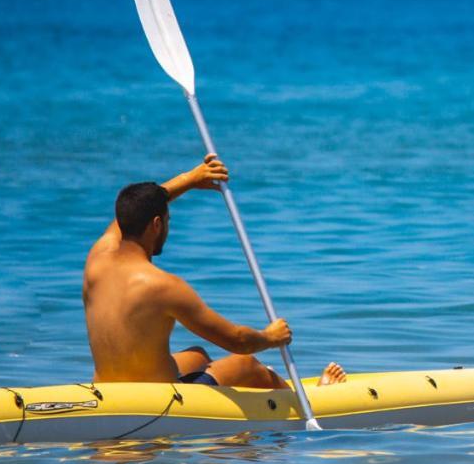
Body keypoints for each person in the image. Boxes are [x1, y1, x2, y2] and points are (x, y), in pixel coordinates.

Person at [83, 154, 346, 389]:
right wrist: (271, 337)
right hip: (158, 399)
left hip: (108, 388)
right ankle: (313, 399)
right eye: (168, 221)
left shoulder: (98, 257)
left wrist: (190, 178)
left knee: (197, 355)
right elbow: (237, 340)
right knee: (248, 365)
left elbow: (136, 210)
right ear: (156, 224)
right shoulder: (162, 286)